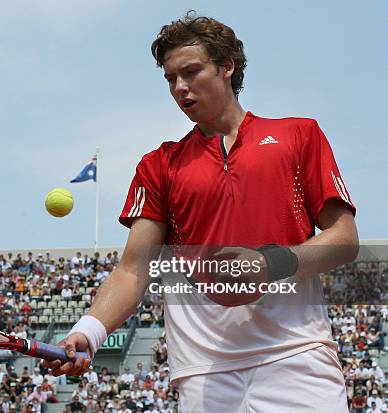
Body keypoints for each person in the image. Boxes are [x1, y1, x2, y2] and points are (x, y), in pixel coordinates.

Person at [44, 10, 359, 413]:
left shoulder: (299, 135)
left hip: (296, 356)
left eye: (191, 72)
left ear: (227, 66)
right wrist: (89, 330)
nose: (180, 87)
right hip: (204, 374)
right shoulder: (159, 164)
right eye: (171, 79)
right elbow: (133, 270)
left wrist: (271, 263)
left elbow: (344, 239)